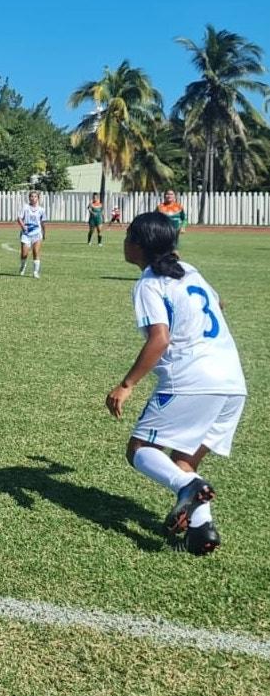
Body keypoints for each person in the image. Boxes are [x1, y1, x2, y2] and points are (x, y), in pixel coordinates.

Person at [106, 213, 246, 555]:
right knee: (184, 459)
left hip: (191, 380)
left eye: (127, 236)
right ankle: (202, 532)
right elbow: (219, 303)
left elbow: (160, 339)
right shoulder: (190, 271)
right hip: (231, 382)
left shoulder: (150, 283)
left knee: (140, 451)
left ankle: (189, 487)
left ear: (138, 246)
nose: (123, 242)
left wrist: (126, 385)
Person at [18, 190, 46, 278]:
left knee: (36, 252)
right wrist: (23, 227)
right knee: (24, 254)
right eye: (31, 196)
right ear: (29, 198)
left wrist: (44, 233)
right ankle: (23, 267)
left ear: (38, 198)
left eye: (35, 197)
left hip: (37, 234)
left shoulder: (41, 210)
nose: (33, 198)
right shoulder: (25, 207)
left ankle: (35, 272)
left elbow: (42, 222)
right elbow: (19, 218)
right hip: (26, 234)